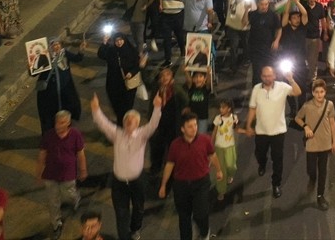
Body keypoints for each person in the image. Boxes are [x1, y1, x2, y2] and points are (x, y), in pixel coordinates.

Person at [90, 93, 161, 240]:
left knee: (138, 208)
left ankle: (135, 228)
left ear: (138, 124)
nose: (129, 122)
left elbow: (153, 124)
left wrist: (157, 107)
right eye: (127, 120)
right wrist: (96, 109)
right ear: (123, 123)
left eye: (133, 121)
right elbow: (103, 124)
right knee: (121, 214)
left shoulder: (142, 134)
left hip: (137, 181)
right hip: (119, 183)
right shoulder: (117, 134)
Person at [159, 111, 223, 240]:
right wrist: (163, 185)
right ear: (182, 129)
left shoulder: (205, 140)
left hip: (201, 183)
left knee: (201, 213)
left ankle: (204, 232)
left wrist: (219, 170)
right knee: (184, 217)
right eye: (190, 126)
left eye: (195, 125)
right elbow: (170, 165)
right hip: (181, 186)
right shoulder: (175, 145)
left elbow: (212, 155)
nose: (194, 128)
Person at [245, 64, 301, 199]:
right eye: (264, 76)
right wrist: (248, 126)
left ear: (274, 76)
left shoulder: (282, 87)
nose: (267, 78)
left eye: (269, 76)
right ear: (261, 77)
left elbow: (297, 92)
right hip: (261, 131)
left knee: (277, 159)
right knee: (259, 153)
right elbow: (252, 108)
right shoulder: (256, 89)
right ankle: (262, 163)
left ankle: (276, 184)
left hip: (278, 132)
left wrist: (291, 79)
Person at [37, 110, 87, 238]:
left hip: (68, 174)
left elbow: (80, 153)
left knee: (69, 194)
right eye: (58, 122)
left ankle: (76, 199)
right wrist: (39, 173)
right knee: (53, 201)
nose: (59, 125)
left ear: (68, 123)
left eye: (62, 122)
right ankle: (56, 225)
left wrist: (83, 170)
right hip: (50, 175)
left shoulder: (75, 135)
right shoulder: (48, 136)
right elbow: (42, 155)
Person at [295, 78, 335, 211]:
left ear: (325, 92)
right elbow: (297, 118)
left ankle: (320, 196)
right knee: (311, 169)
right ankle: (312, 178)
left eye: (322, 92)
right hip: (312, 143)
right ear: (313, 93)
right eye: (317, 92)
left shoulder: (329, 105)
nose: (319, 94)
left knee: (323, 171)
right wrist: (306, 127)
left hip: (325, 143)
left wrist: (334, 141)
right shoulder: (307, 106)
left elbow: (332, 123)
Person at [35, 38, 83, 134]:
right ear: (50, 47)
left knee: (66, 112)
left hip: (65, 91)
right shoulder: (45, 57)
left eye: (58, 44)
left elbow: (77, 58)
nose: (56, 47)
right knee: (50, 115)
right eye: (54, 45)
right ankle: (51, 135)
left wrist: (81, 50)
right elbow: (34, 72)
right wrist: (30, 66)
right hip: (49, 94)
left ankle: (65, 132)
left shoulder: (64, 54)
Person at [97, 31, 143, 123]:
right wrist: (104, 43)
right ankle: (120, 121)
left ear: (124, 40)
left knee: (127, 106)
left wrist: (131, 73)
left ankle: (126, 122)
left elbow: (137, 65)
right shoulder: (111, 51)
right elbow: (101, 55)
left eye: (121, 40)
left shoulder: (131, 50)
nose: (119, 42)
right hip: (114, 83)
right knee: (116, 105)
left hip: (128, 84)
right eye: (116, 40)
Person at [211, 99, 239, 206]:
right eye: (220, 107)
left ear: (229, 109)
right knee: (221, 170)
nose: (221, 109)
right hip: (219, 147)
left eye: (223, 107)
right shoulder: (218, 119)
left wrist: (247, 131)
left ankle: (230, 175)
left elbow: (236, 129)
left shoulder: (234, 118)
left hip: (230, 147)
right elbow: (214, 132)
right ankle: (221, 190)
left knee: (231, 166)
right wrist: (210, 145)